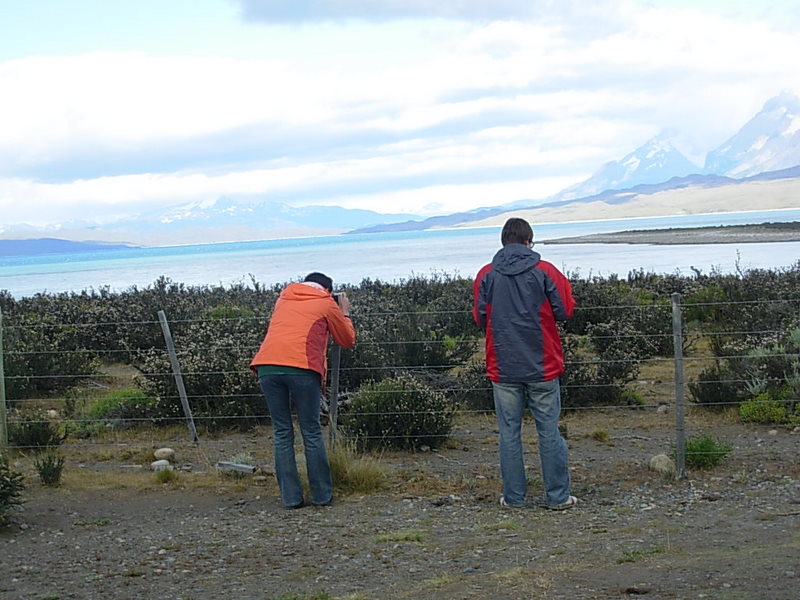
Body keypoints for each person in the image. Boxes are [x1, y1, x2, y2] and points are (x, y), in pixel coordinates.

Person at [472, 218, 577, 510]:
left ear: (503, 241)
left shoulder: (486, 274)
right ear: (529, 240)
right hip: (542, 364)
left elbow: (479, 317)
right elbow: (565, 309)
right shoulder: (546, 271)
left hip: (503, 365)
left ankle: (514, 498)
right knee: (549, 432)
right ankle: (557, 497)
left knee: (509, 434)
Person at [250, 272, 356, 509]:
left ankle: (291, 498)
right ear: (328, 290)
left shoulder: (283, 299)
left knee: (282, 432)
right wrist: (344, 312)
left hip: (267, 366)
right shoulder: (326, 303)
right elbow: (347, 339)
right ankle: (321, 496)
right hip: (302, 367)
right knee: (311, 431)